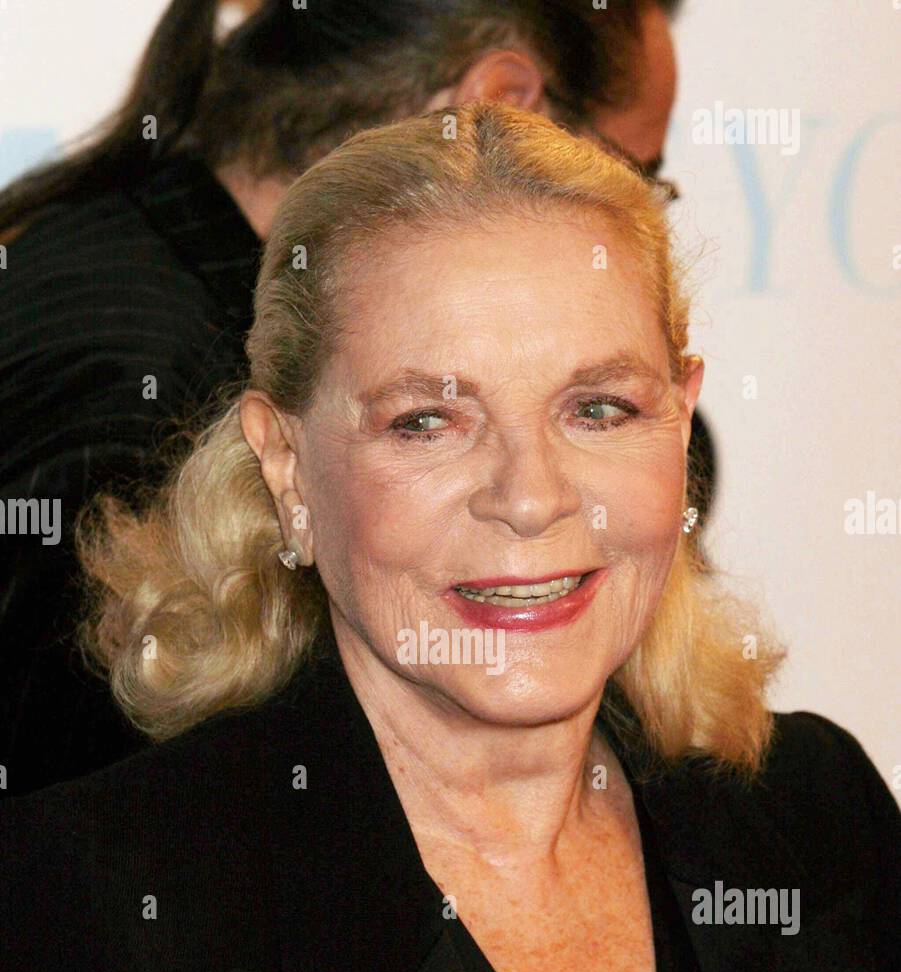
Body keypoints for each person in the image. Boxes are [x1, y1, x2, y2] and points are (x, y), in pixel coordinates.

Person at [1, 105, 896, 972]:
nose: (530, 496)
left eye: (598, 407)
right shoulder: (81, 918)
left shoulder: (816, 818)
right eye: (427, 420)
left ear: (680, 423)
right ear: (285, 465)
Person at [0, 0, 715, 798]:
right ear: (497, 107)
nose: (533, 500)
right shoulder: (132, 399)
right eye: (632, 173)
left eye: (597, 410)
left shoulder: (128, 264)